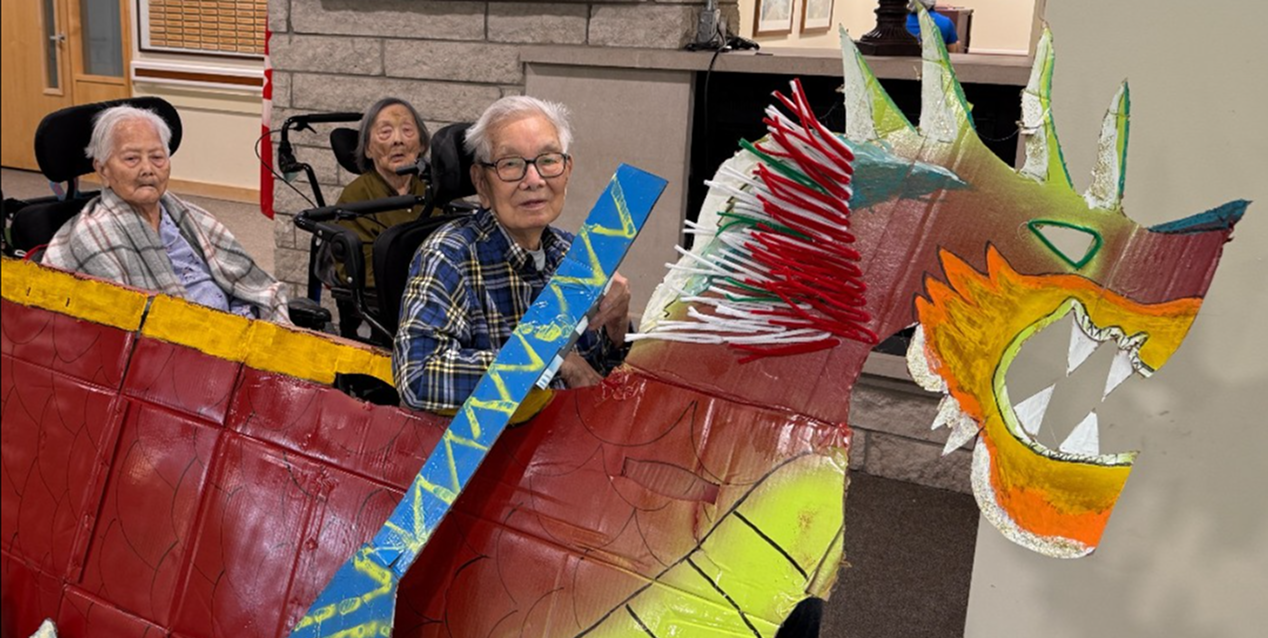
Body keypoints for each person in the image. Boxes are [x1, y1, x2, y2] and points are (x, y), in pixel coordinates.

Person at [392, 96, 630, 413]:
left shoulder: (572, 254)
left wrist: (617, 328)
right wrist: (549, 361)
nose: (534, 180)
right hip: (494, 454)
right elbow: (418, 376)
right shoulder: (448, 256)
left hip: (567, 442)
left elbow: (595, 378)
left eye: (548, 160)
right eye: (511, 164)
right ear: (481, 182)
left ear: (567, 170)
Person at [41, 105, 290, 322]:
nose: (148, 169)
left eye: (157, 157)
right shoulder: (94, 236)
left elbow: (246, 282)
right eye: (131, 158)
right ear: (103, 169)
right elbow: (132, 332)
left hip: (236, 334)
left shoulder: (188, 216)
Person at [331, 97, 433, 338]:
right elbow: (364, 273)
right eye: (385, 132)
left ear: (421, 143)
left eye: (407, 130)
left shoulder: (432, 190)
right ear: (368, 148)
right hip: (392, 314)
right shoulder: (356, 198)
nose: (398, 139)